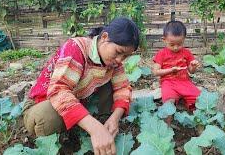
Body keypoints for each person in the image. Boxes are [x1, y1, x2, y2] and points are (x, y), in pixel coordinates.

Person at [23, 17, 140, 155]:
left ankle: (87, 123)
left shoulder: (113, 62)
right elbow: (58, 91)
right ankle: (58, 143)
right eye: (118, 52)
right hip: (42, 102)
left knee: (111, 87)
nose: (120, 60)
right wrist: (95, 129)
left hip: (77, 99)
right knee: (46, 118)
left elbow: (123, 88)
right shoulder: (76, 48)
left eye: (125, 56)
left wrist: (115, 118)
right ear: (104, 37)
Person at [152, 20, 201, 125]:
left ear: (184, 40)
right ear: (164, 40)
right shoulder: (161, 54)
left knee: (197, 100)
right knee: (169, 104)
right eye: (172, 44)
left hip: (185, 82)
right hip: (168, 83)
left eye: (179, 44)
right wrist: (171, 70)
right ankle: (167, 127)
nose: (175, 47)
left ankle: (196, 120)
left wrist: (193, 66)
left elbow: (190, 71)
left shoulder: (186, 53)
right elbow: (155, 72)